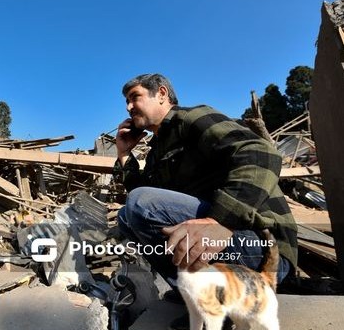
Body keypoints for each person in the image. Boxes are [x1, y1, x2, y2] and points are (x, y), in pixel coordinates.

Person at [113, 74, 297, 317]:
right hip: (228, 249)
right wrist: (124, 153)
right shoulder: (159, 147)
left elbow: (260, 154)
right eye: (126, 101)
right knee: (126, 217)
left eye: (134, 97)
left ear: (161, 94)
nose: (128, 107)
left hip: (262, 248)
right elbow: (143, 201)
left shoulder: (191, 118)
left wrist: (220, 221)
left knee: (139, 204)